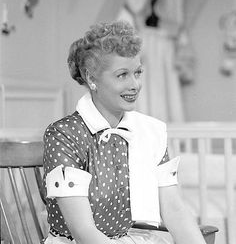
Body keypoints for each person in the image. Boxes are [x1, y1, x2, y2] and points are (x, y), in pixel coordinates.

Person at [42, 20, 206, 244]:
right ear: (91, 78)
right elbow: (83, 231)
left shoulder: (151, 131)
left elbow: (174, 210)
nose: (135, 84)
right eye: (122, 75)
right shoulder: (65, 135)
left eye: (137, 72)